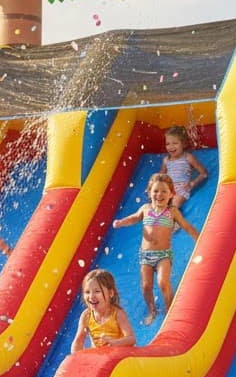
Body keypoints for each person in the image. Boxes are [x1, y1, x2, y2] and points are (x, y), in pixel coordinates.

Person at [112, 172, 200, 325]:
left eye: (164, 191)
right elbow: (134, 218)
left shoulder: (172, 212)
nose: (159, 194)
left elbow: (186, 226)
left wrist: (199, 239)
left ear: (171, 194)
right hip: (145, 255)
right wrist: (121, 222)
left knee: (162, 282)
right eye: (156, 191)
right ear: (149, 192)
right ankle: (152, 310)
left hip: (163, 255)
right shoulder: (145, 209)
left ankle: (168, 308)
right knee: (146, 286)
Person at [70, 269, 136, 353]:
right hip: (101, 359)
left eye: (97, 291)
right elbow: (78, 341)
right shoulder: (86, 315)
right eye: (87, 292)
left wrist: (114, 343)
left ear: (110, 293)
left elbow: (131, 339)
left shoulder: (117, 314)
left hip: (120, 356)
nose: (91, 296)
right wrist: (74, 358)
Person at [159, 125, 208, 207]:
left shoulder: (188, 158)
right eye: (167, 144)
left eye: (175, 143)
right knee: (158, 203)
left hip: (182, 189)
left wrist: (192, 183)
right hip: (168, 188)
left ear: (184, 144)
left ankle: (171, 218)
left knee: (174, 204)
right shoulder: (166, 160)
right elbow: (161, 175)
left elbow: (204, 173)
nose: (171, 147)